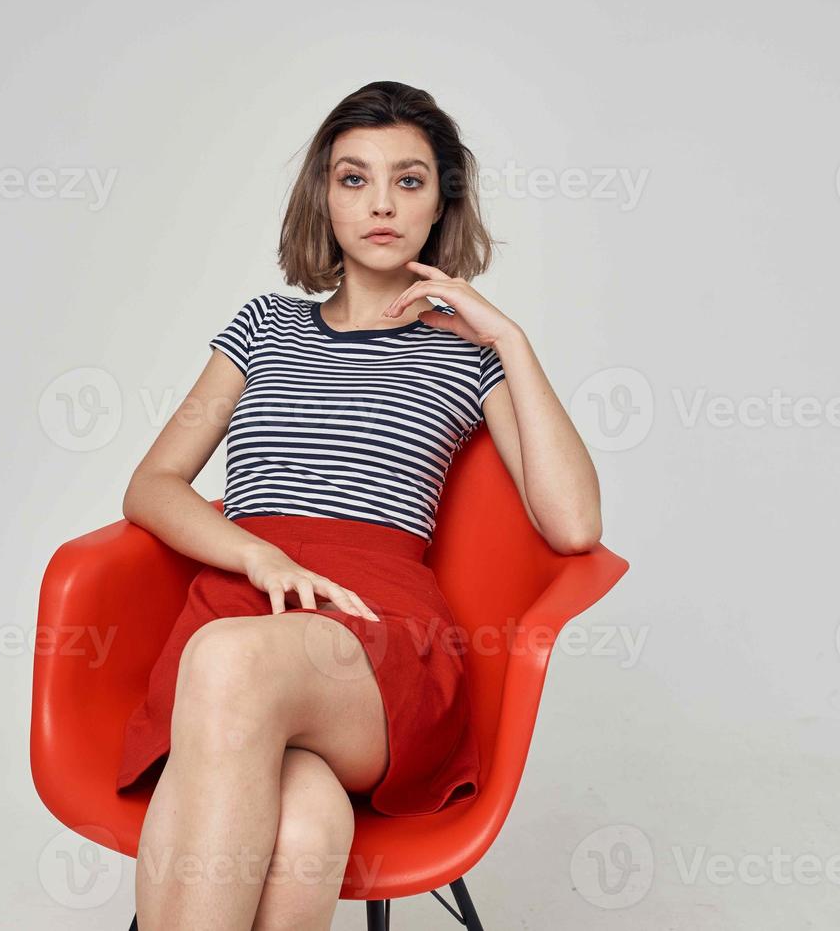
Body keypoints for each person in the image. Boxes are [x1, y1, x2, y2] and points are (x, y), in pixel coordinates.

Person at [115, 80, 603, 931]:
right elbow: (152, 486)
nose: (381, 202)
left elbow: (573, 524)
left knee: (227, 662)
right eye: (354, 178)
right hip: (245, 600)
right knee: (305, 817)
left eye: (409, 180)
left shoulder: (470, 356)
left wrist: (509, 340)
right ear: (323, 197)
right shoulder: (265, 326)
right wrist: (257, 555)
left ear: (441, 202)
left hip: (377, 638)